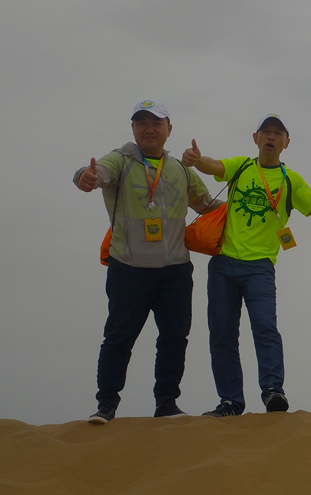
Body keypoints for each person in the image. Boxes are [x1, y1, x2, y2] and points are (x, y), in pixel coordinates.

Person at [181, 113, 311, 417]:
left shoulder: (291, 180)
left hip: (260, 268)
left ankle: (273, 391)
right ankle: (230, 401)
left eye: (278, 133)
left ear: (286, 142)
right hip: (224, 263)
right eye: (266, 131)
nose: (271, 137)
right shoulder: (241, 166)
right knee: (222, 334)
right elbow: (215, 166)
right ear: (255, 138)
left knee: (265, 328)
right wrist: (197, 160)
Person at [74, 100, 218, 423]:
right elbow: (96, 173)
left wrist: (246, 207)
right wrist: (85, 176)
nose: (149, 129)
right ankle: (106, 405)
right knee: (118, 338)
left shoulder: (181, 169)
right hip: (129, 268)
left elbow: (208, 205)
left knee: (174, 338)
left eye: (156, 123)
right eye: (141, 123)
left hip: (175, 270)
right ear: (133, 128)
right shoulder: (120, 159)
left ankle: (166, 403)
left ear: (169, 129)